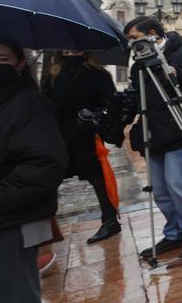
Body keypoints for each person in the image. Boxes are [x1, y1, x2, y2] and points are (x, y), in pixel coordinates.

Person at [0, 38, 68, 302]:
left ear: (19, 64)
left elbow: (45, 163)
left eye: (2, 59)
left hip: (8, 221)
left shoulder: (29, 104)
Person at [123, 16, 182, 260]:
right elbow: (137, 97)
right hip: (153, 134)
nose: (132, 44)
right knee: (161, 189)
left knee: (177, 184)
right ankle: (175, 233)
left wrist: (177, 74)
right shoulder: (139, 66)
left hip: (181, 129)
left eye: (135, 38)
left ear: (152, 33)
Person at [42, 50, 121, 243]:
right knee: (48, 178)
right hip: (58, 133)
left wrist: (93, 114)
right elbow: (45, 104)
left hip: (86, 133)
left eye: (75, 49)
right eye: (67, 50)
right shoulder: (52, 74)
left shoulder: (99, 74)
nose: (71, 54)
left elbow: (110, 103)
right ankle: (45, 228)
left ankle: (110, 220)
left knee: (97, 177)